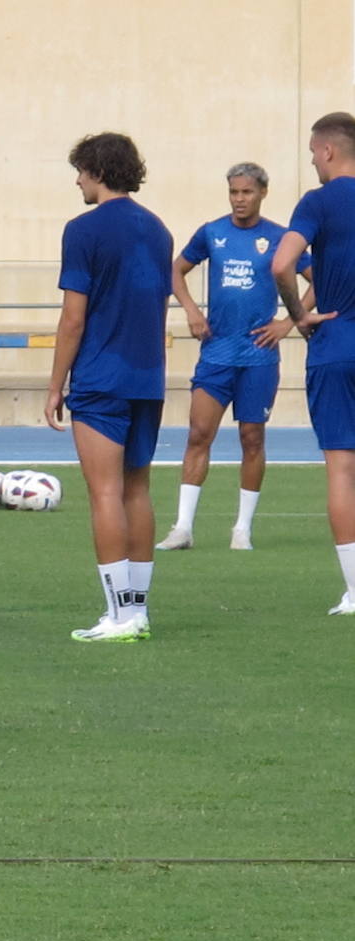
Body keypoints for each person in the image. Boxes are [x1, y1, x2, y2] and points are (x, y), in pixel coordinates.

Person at [44, 132, 173, 642]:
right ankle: (137, 610)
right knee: (137, 489)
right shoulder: (159, 229)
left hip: (101, 376)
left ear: (97, 170)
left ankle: (119, 614)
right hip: (147, 376)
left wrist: (56, 385)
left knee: (105, 493)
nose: (77, 179)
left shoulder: (83, 229)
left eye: (80, 170)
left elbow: (73, 318)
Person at [157, 163, 313, 552]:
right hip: (217, 353)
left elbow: (320, 277)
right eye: (233, 192)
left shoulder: (279, 238)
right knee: (198, 434)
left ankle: (242, 528)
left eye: (246, 192)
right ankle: (183, 527)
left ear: (262, 193)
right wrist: (192, 311)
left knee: (252, 437)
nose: (239, 199)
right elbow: (175, 270)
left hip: (259, 357)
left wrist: (288, 322)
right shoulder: (212, 233)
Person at [273, 112, 355, 615]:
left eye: (311, 154)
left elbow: (282, 263)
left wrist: (298, 313)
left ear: (326, 151)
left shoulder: (318, 202)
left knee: (342, 469)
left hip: (337, 345)